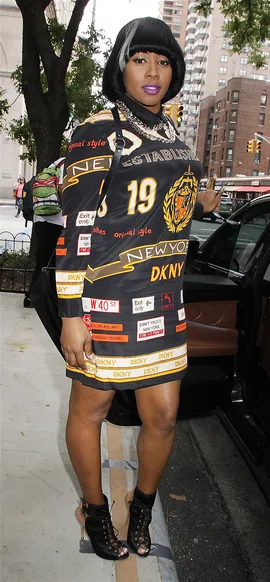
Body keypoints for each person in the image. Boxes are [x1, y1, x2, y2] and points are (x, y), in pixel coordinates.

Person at [56, 17, 211, 561]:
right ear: (120, 65)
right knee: (91, 411)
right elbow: (74, 224)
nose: (153, 71)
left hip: (165, 300)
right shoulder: (97, 129)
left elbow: (170, 200)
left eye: (164, 60)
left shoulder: (171, 130)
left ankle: (141, 507)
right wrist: (72, 311)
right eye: (141, 58)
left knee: (164, 414)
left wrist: (202, 198)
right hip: (106, 299)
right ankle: (96, 511)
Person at [24, 158, 64, 307]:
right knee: (52, 261)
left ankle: (34, 296)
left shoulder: (53, 165)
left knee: (43, 258)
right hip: (56, 220)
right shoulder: (67, 164)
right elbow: (61, 189)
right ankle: (40, 297)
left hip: (40, 218)